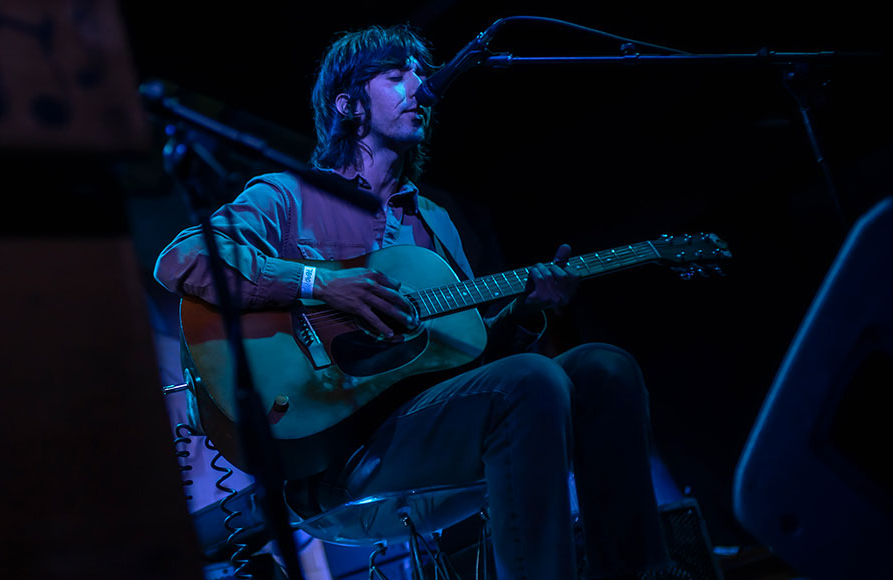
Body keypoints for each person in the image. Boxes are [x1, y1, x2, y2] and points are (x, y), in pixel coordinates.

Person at [155, 23, 687, 580]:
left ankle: (642, 572)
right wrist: (319, 283)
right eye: (397, 75)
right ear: (349, 105)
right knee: (532, 380)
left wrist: (528, 311)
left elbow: (468, 356)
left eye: (420, 72)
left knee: (605, 367)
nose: (420, 86)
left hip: (434, 427)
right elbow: (181, 260)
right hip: (339, 459)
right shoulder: (288, 196)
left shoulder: (434, 221)